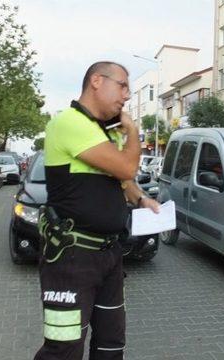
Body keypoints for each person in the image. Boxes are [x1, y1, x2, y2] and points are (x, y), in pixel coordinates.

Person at [34, 61, 160, 360]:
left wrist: (142, 200)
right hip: (71, 257)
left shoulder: (104, 132)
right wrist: (132, 130)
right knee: (63, 349)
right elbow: (127, 165)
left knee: (111, 343)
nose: (127, 96)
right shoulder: (70, 123)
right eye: (122, 86)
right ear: (96, 81)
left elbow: (123, 179)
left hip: (109, 254)